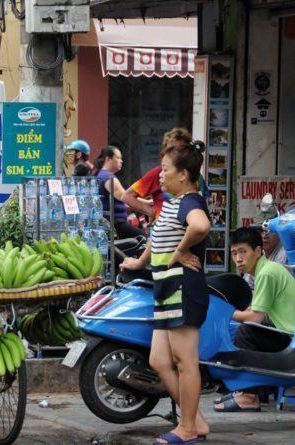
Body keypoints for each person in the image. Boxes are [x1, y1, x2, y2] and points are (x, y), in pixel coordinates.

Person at [120, 141, 211, 444]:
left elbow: (200, 225)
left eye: (166, 170)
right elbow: (158, 236)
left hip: (183, 289)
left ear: (183, 174)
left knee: (186, 361)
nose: (160, 175)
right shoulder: (174, 202)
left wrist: (181, 251)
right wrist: (140, 261)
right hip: (167, 291)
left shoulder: (190, 202)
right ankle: (194, 419)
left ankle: (186, 427)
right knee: (160, 360)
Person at [214, 227, 295, 413]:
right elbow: (253, 308)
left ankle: (250, 396)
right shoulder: (264, 270)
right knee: (240, 328)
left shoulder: (267, 273)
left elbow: (254, 317)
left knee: (245, 332)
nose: (238, 258)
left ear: (257, 251)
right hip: (287, 334)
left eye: (243, 252)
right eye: (234, 253)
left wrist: (224, 312)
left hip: (292, 341)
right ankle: (245, 389)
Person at [122, 127, 208, 224]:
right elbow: (127, 196)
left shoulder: (197, 176)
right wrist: (151, 212)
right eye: (170, 150)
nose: (174, 154)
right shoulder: (158, 173)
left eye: (179, 150)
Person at [92, 145, 144, 239]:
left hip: (112, 222)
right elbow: (125, 198)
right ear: (108, 159)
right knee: (143, 237)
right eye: (118, 158)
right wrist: (147, 204)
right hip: (116, 223)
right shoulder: (108, 178)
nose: (121, 161)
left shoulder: (101, 175)